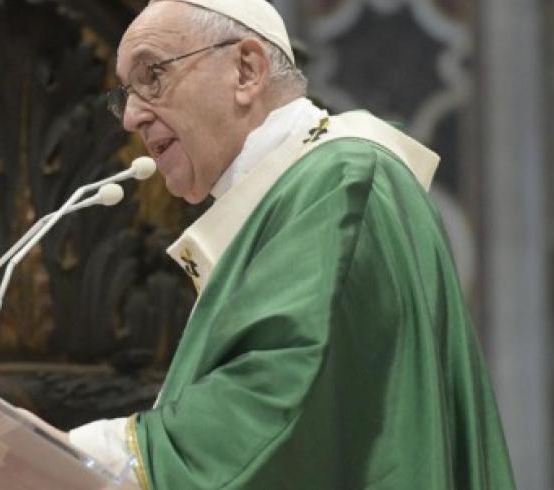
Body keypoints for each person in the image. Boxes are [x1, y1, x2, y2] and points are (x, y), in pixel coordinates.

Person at [60, 1, 519, 488]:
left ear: (247, 70)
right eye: (125, 94)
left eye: (152, 76)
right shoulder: (293, 196)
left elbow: (285, 400)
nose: (131, 116)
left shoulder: (342, 182)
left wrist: (82, 456)